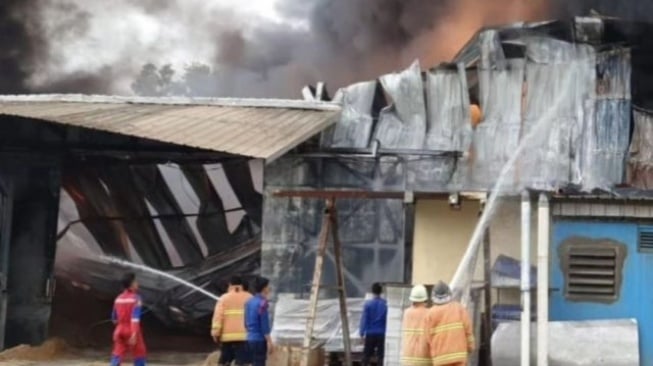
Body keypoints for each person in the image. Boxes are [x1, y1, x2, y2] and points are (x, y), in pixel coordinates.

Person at [425, 281, 474, 366]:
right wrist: (470, 347)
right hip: (459, 357)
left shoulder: (430, 314)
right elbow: (468, 331)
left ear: (433, 297)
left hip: (440, 360)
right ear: (449, 294)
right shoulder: (459, 308)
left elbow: (427, 338)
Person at [211, 275, 253, 366]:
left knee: (224, 362)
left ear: (230, 285)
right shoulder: (250, 298)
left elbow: (218, 317)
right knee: (243, 362)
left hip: (227, 338)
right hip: (245, 337)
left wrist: (215, 333)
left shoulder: (224, 298)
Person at [110, 273, 147, 366]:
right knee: (139, 353)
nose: (137, 283)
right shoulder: (136, 298)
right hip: (131, 330)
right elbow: (135, 318)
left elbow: (114, 318)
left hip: (119, 330)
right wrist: (134, 334)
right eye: (135, 281)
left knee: (117, 354)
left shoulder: (118, 298)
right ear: (131, 284)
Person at [244, 276, 273, 366]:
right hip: (259, 340)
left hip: (249, 339)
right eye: (268, 286)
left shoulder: (249, 302)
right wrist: (269, 341)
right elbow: (264, 325)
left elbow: (245, 322)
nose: (269, 288)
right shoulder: (263, 303)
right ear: (264, 288)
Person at [400, 284, 430, 366]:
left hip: (407, 358)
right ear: (425, 298)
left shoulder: (406, 313)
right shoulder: (429, 313)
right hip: (424, 358)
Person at [359, 282, 387, 366]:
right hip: (382, 333)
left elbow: (364, 319)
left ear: (372, 291)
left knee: (366, 355)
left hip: (370, 333)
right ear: (381, 292)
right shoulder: (385, 304)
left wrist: (361, 333)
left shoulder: (368, 304)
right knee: (380, 356)